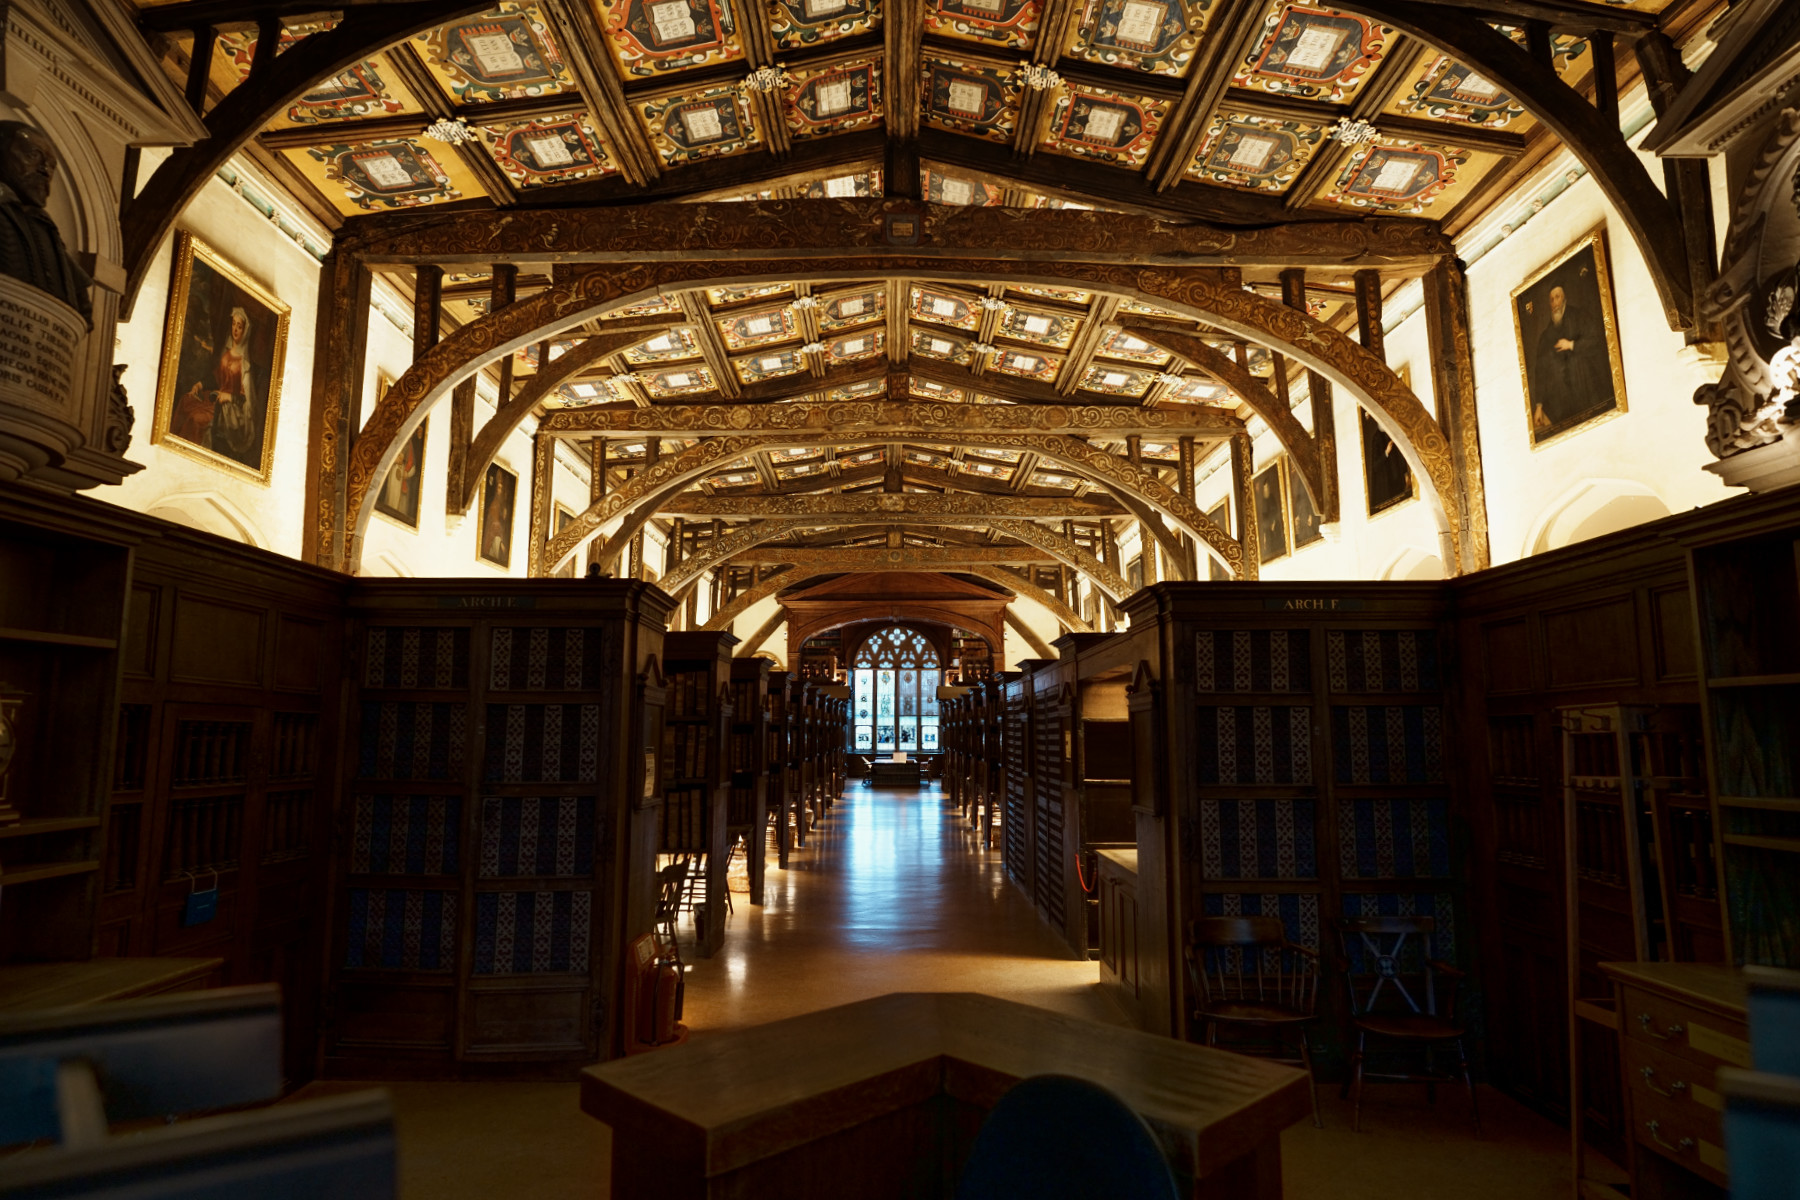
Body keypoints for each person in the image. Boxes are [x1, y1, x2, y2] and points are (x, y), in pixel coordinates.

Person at [0, 120, 92, 323]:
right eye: (33, 156)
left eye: (51, 166)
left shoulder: (45, 229)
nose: (45, 171)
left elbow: (82, 309)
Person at [172, 305, 260, 462]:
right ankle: (172, 443)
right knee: (186, 400)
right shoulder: (227, 354)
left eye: (239, 326)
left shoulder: (245, 364)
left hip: (231, 409)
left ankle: (184, 457)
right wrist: (199, 385)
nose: (235, 329)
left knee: (196, 418)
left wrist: (229, 397)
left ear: (245, 330)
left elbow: (247, 400)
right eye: (233, 324)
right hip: (216, 399)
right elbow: (218, 377)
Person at [1529, 283, 1611, 436]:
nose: (1555, 303)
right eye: (1551, 299)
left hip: (1585, 391)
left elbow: (1596, 341)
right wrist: (1539, 406)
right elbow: (1540, 371)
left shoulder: (1579, 317)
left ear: (1564, 298)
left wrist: (1572, 345)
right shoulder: (1546, 336)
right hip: (1562, 405)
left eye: (1557, 297)